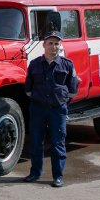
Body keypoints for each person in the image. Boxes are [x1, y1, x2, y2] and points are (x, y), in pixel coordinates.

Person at [23, 31, 79, 187]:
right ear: (44, 45)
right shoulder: (34, 64)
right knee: (35, 142)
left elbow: (72, 90)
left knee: (58, 143)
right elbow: (28, 88)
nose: (53, 47)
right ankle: (35, 173)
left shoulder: (67, 65)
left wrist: (61, 102)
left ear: (60, 46)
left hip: (57, 109)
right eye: (50, 43)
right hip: (38, 109)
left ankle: (58, 176)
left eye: (56, 43)